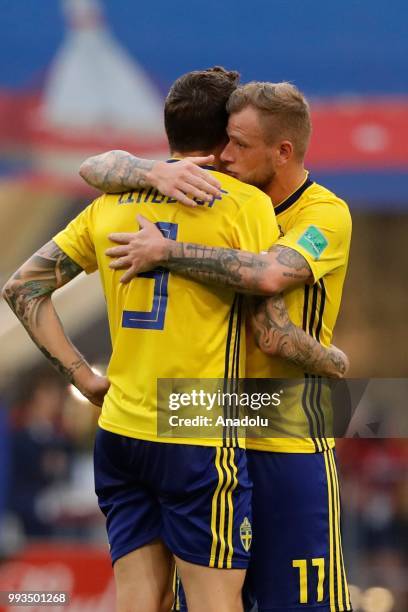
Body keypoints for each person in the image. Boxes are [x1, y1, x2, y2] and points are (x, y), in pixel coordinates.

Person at [2, 69, 346, 612]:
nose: (231, 154)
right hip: (203, 433)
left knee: (142, 598)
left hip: (122, 428)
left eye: (242, 144)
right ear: (217, 139)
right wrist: (331, 360)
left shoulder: (112, 201)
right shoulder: (242, 206)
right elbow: (270, 325)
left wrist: (81, 375)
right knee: (219, 602)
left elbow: (22, 287)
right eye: (229, 141)